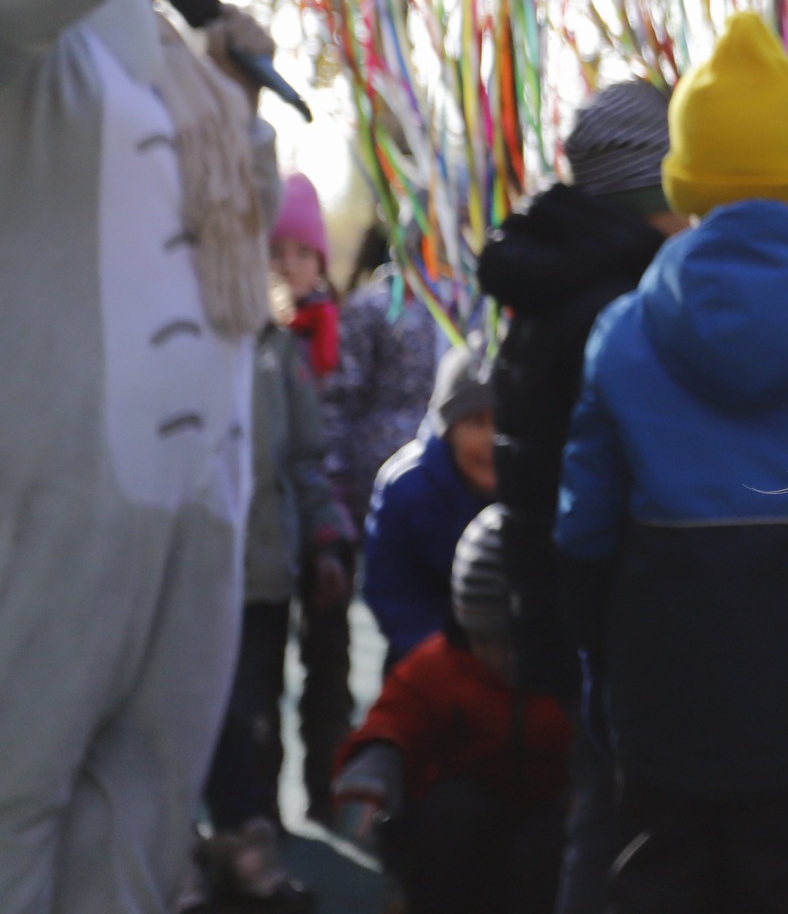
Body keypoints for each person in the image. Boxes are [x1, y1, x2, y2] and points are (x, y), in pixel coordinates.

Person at [0, 0, 305, 914]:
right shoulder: (34, 44)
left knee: (152, 789)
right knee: (18, 780)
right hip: (69, 476)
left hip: (197, 487)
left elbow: (245, 234)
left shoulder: (174, 65)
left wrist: (242, 101)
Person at [556, 14, 788, 912]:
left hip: (663, 690)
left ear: (686, 179)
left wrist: (601, 678)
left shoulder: (625, 332)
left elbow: (584, 530)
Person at [478, 78, 683, 913]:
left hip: (562, 602)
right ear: (655, 188)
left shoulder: (557, 279)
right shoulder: (622, 302)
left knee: (601, 816)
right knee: (625, 830)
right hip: (617, 610)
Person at [332, 506, 573, 914]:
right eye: (486, 639)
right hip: (465, 841)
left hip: (552, 833)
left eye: (516, 639)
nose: (502, 657)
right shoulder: (440, 666)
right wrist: (376, 767)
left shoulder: (581, 679)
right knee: (452, 810)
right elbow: (396, 719)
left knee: (552, 844)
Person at [198, 304, 352, 902]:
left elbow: (304, 460)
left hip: (259, 573)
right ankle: (180, 855)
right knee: (180, 713)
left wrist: (324, 539)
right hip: (185, 572)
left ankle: (250, 853)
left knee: (253, 711)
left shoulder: (277, 351)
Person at [266, 170, 359, 819]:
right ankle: (256, 812)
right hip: (270, 522)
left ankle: (328, 787)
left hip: (332, 513)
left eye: (302, 253)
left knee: (328, 665)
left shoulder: (342, 329)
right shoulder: (256, 336)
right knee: (258, 669)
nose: (291, 266)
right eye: (278, 253)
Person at [363, 340, 498, 670]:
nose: (491, 440)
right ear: (448, 430)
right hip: (426, 661)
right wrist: (450, 665)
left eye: (504, 422)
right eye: (476, 423)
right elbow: (394, 593)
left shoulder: (531, 483)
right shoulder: (406, 488)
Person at [325, 225, 446, 531]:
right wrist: (335, 488)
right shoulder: (371, 307)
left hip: (448, 478)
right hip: (378, 480)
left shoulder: (464, 306)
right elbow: (340, 400)